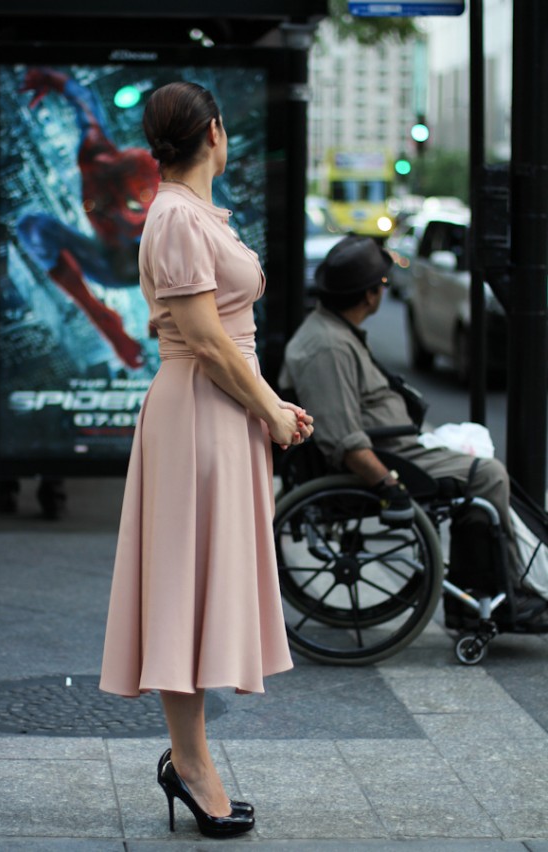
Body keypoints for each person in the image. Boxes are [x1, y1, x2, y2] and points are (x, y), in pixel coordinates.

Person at [99, 81, 313, 840]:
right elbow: (211, 343)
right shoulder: (176, 217)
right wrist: (271, 407)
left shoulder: (184, 215)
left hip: (213, 411)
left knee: (190, 586)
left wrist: (267, 404)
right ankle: (190, 765)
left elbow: (224, 340)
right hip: (199, 412)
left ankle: (189, 761)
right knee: (184, 590)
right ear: (215, 133)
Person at [279, 234, 548, 628]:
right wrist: (389, 485)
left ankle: (489, 587)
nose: (384, 292)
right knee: (487, 475)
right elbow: (345, 441)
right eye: (382, 285)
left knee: (479, 461)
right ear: (369, 296)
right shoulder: (328, 347)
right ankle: (502, 593)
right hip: (385, 457)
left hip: (395, 443)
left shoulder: (332, 330)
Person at [18, 68, 160, 369]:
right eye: (135, 205)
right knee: (32, 226)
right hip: (108, 266)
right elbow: (86, 104)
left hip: (148, 267)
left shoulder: (161, 214)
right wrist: (53, 80)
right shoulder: (96, 156)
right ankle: (103, 317)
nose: (138, 212)